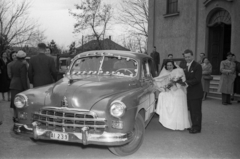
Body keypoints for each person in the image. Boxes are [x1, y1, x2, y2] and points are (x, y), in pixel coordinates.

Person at [154, 60, 191, 130]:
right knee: (162, 96)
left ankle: (180, 124)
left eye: (170, 65)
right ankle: (173, 123)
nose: (169, 67)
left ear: (173, 65)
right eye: (168, 65)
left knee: (178, 108)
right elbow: (160, 80)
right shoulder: (165, 73)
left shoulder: (179, 71)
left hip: (179, 91)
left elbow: (183, 81)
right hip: (171, 90)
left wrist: (176, 85)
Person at [182, 49, 203, 134]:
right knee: (191, 110)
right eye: (186, 57)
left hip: (196, 93)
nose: (187, 58)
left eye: (189, 57)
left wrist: (185, 82)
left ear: (192, 56)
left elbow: (197, 79)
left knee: (196, 111)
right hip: (189, 93)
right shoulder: (186, 65)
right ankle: (193, 125)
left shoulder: (197, 66)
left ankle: (197, 128)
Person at [9, 50, 29, 121]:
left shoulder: (12, 64)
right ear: (24, 57)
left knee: (14, 101)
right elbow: (23, 77)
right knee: (20, 101)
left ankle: (15, 116)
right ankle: (19, 117)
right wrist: (25, 88)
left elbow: (11, 75)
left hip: (13, 83)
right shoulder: (23, 64)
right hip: (20, 85)